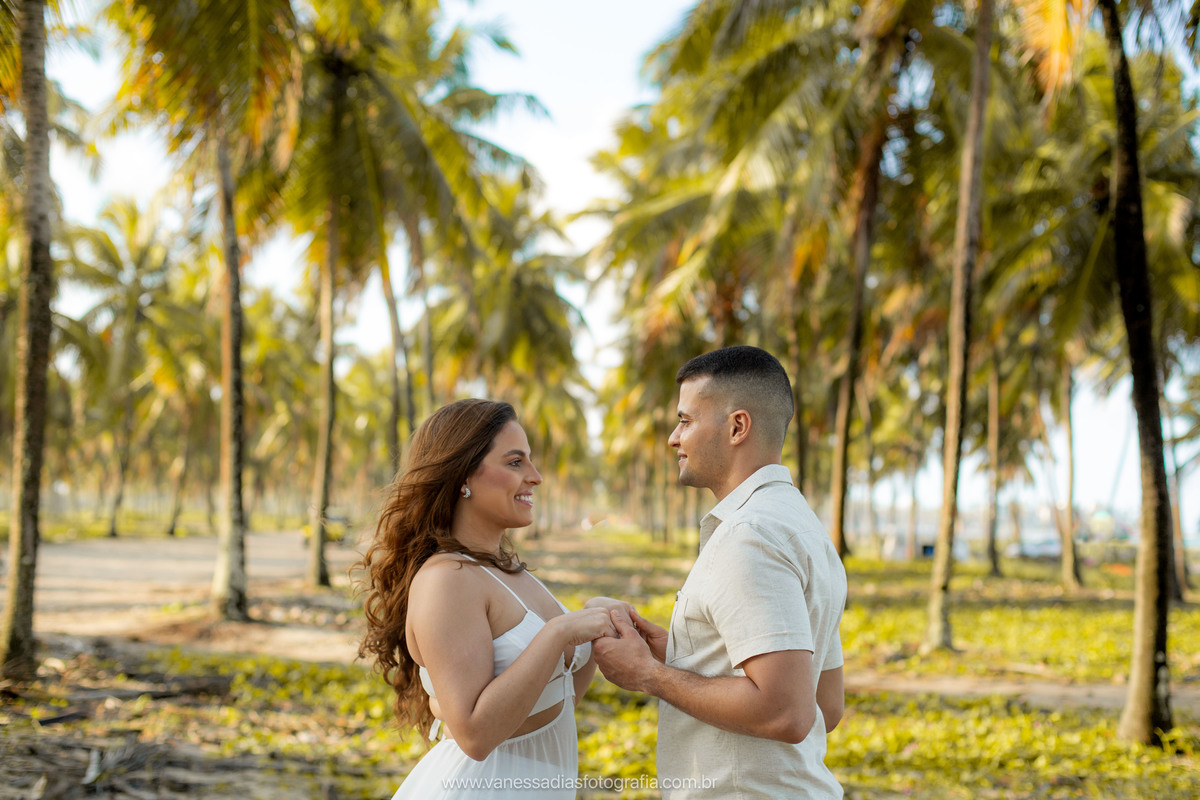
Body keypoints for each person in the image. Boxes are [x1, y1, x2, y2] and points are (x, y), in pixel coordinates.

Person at [592, 346, 848, 799]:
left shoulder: (749, 535)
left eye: (685, 420)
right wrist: (681, 654)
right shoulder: (802, 525)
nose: (674, 438)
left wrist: (649, 675)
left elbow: (788, 713)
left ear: (737, 427)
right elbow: (825, 704)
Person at [354, 398, 618, 799]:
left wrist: (594, 626)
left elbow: (558, 699)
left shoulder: (508, 572)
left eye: (530, 461)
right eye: (515, 462)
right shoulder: (447, 580)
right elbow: (475, 737)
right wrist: (559, 633)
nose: (535, 477)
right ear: (463, 475)